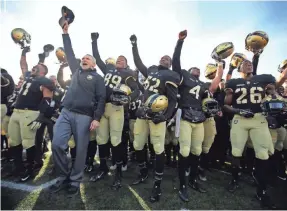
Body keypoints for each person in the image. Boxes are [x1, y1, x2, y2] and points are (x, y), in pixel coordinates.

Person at [50, 20, 106, 197]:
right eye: (83, 58)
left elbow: (101, 98)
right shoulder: (75, 71)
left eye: (87, 59)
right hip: (65, 112)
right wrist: (65, 33)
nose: (84, 59)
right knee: (57, 144)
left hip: (85, 116)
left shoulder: (97, 78)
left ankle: (75, 180)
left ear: (93, 65)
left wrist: (96, 118)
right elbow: (69, 51)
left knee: (81, 150)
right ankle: (62, 176)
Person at [224, 59, 287, 209]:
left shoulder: (262, 80)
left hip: (259, 119)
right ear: (239, 68)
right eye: (245, 63)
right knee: (236, 152)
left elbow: (278, 84)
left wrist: (272, 92)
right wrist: (237, 110)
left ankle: (261, 190)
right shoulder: (234, 82)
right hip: (240, 118)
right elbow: (226, 105)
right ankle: (234, 178)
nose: (248, 64)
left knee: (263, 154)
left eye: (250, 63)